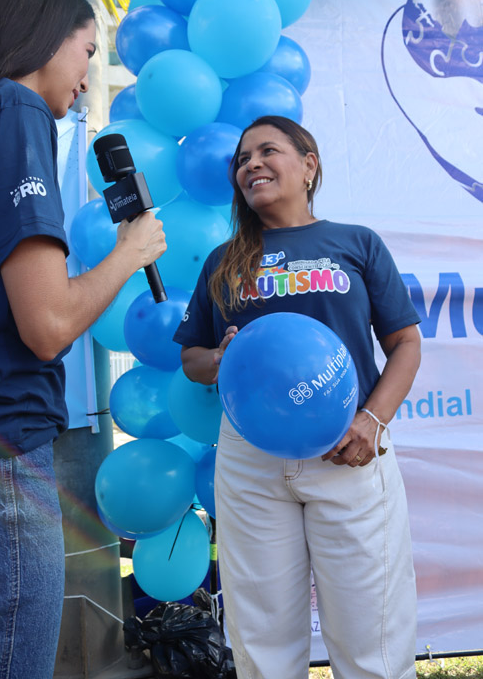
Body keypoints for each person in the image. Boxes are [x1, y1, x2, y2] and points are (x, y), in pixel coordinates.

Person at [0, 0, 166, 679]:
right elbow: (46, 323)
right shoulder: (12, 110)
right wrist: (130, 251)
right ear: (43, 39)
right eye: (86, 49)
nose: (88, 75)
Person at [174, 115, 421, 679]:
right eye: (242, 159)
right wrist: (220, 359)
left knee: (373, 642)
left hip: (349, 450)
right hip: (251, 461)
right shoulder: (222, 260)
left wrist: (372, 421)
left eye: (268, 151)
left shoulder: (356, 243)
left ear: (309, 165)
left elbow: (406, 343)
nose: (251, 164)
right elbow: (193, 359)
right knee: (262, 644)